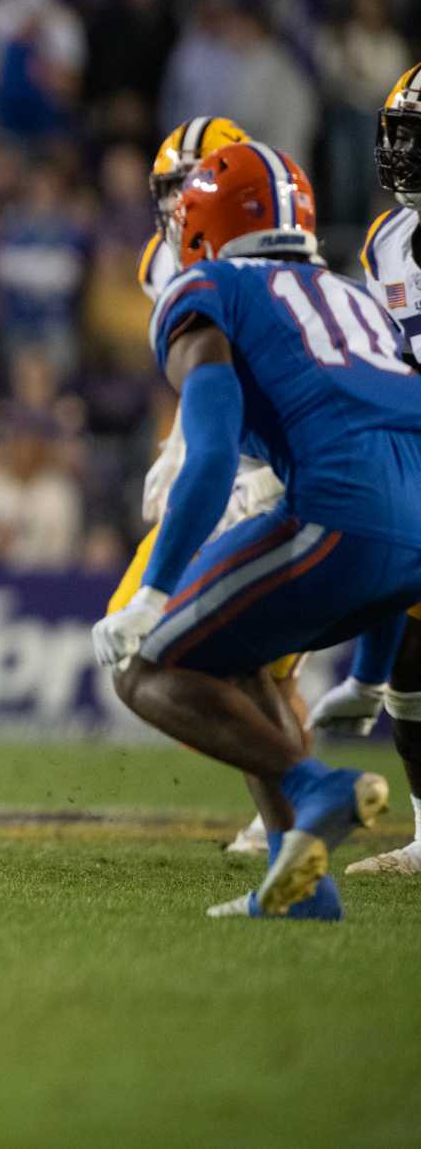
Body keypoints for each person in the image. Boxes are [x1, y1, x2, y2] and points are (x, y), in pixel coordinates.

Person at [94, 142, 408, 920]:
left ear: (203, 219)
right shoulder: (354, 292)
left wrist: (153, 594)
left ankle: (315, 786)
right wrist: (370, 672)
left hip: (343, 506)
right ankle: (301, 885)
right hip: (409, 512)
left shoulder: (207, 285)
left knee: (146, 666)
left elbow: (207, 456)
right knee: (238, 654)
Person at [336, 61, 421, 877]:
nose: (402, 154)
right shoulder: (385, 240)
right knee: (410, 659)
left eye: (415, 138)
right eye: (398, 135)